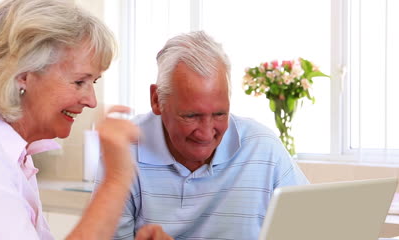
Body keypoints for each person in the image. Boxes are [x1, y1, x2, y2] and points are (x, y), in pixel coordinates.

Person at [0, 0, 171, 240]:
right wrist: (116, 178)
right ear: (22, 74)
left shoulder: (8, 148)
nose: (91, 101)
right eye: (80, 81)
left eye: (94, 82)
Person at [98, 31, 309, 240]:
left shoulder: (263, 147)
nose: (206, 133)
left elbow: (311, 227)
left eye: (219, 114)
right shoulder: (124, 150)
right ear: (156, 100)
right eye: (191, 116)